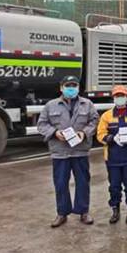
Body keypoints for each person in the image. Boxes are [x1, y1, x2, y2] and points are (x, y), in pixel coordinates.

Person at [37, 75, 99, 228]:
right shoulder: (51, 105)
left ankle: (83, 211)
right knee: (60, 184)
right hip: (60, 151)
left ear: (78, 88)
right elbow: (41, 124)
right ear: (61, 88)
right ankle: (62, 213)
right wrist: (54, 133)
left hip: (80, 151)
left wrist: (84, 133)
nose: (71, 89)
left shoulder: (87, 104)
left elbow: (94, 121)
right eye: (68, 86)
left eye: (74, 86)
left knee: (83, 182)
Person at [97, 86, 127, 224]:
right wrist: (112, 138)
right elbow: (100, 134)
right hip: (113, 158)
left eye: (122, 95)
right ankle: (115, 210)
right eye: (117, 96)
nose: (120, 98)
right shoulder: (106, 116)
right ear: (113, 98)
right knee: (114, 186)